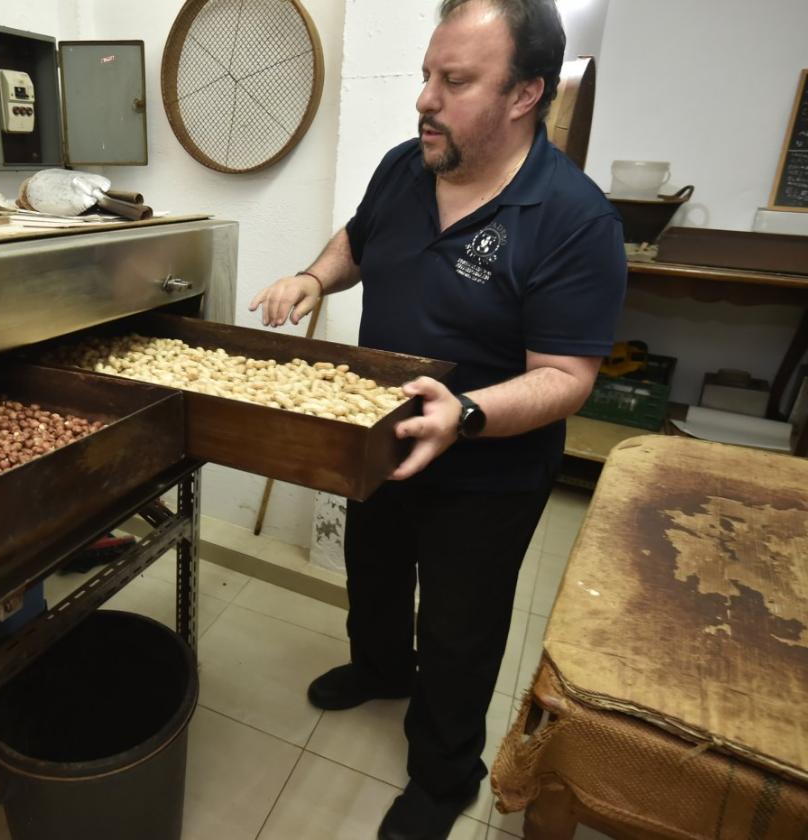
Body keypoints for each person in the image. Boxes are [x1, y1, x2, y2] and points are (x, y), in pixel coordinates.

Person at [249, 1, 626, 838]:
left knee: (460, 627)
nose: (425, 98)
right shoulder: (405, 167)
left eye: (454, 82)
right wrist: (315, 278)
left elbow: (568, 378)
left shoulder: (573, 219)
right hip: (381, 438)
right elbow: (358, 237)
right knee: (374, 572)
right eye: (428, 74)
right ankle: (381, 669)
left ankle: (445, 772)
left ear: (526, 93)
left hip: (489, 467)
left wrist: (466, 412)